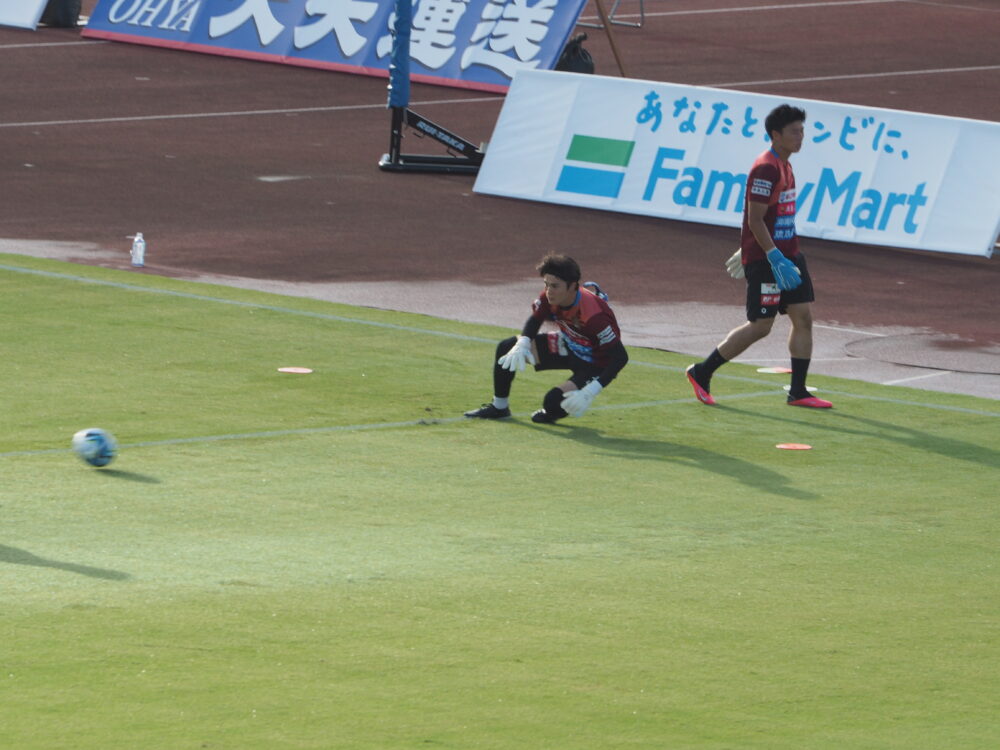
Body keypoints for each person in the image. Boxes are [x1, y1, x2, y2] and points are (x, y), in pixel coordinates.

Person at [686, 104, 833, 409]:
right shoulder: (766, 167)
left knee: (802, 318)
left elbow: (770, 217)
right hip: (770, 261)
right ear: (775, 135)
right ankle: (702, 371)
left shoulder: (786, 164)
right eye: (794, 131)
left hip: (789, 255)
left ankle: (798, 391)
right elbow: (754, 218)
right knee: (760, 326)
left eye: (802, 131)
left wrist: (780, 254)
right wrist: (767, 254)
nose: (800, 137)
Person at [464, 254, 628, 423]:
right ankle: (499, 407)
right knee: (507, 347)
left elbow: (620, 357)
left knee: (553, 403)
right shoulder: (550, 296)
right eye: (546, 284)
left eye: (555, 286)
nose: (549, 291)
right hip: (569, 345)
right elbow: (536, 319)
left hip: (594, 364)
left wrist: (591, 390)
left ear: (572, 286)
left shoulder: (595, 316)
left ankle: (552, 411)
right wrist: (523, 343)